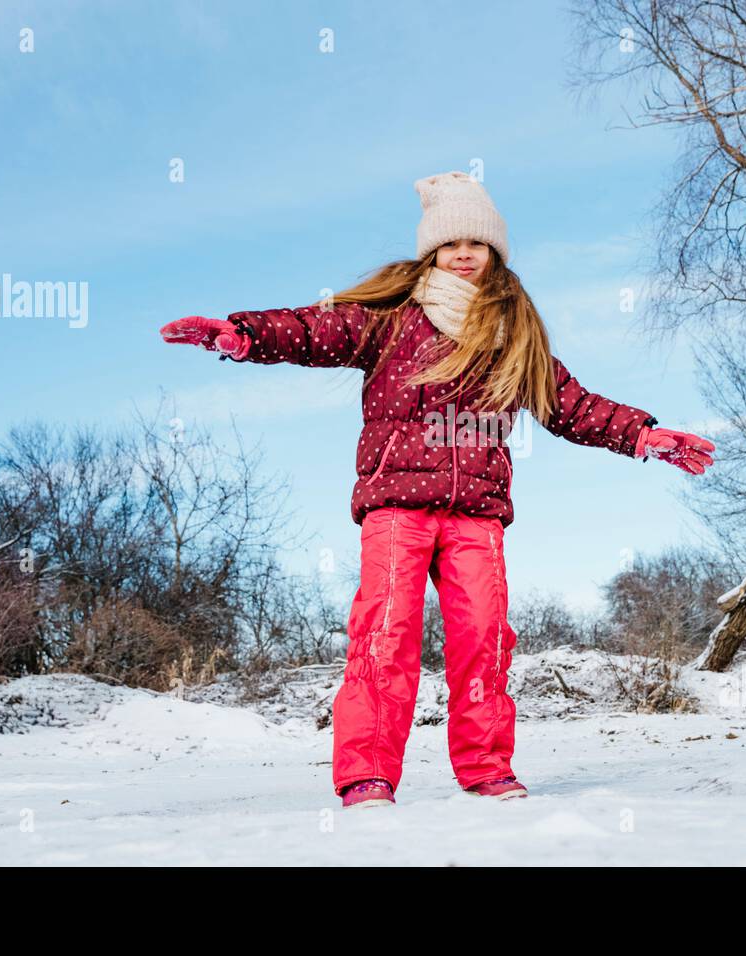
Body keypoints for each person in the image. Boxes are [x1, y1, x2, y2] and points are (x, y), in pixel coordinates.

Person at [160, 171, 714, 808]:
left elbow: (569, 403)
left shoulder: (514, 333)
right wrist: (248, 334)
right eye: (450, 244)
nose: (463, 254)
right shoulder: (392, 319)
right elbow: (318, 329)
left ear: (494, 253)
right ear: (431, 252)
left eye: (476, 244)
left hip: (477, 511)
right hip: (396, 503)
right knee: (386, 633)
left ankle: (486, 768)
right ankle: (367, 773)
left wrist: (640, 434)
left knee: (483, 637)